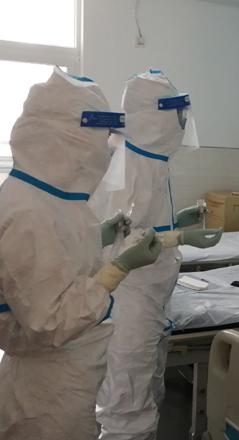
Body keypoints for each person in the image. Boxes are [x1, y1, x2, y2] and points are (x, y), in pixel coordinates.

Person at [0, 67, 162, 440]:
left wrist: (99, 236)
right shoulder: (28, 212)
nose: (106, 150)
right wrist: (119, 267)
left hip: (63, 371)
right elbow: (51, 320)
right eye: (102, 138)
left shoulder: (47, 197)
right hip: (47, 387)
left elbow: (57, 258)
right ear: (70, 137)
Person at [89, 69, 222, 440]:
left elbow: (142, 224)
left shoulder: (151, 160)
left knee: (145, 391)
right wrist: (180, 236)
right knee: (128, 406)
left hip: (150, 298)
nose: (182, 123)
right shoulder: (126, 161)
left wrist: (177, 223)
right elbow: (120, 238)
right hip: (130, 302)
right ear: (156, 116)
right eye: (177, 114)